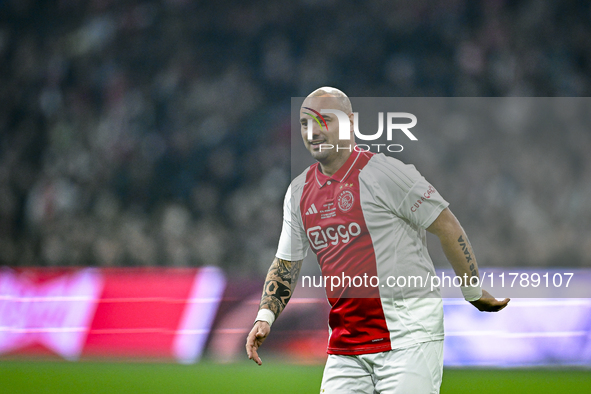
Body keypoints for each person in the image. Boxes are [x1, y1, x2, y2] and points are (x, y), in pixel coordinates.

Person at [246, 87, 509, 393]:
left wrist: (472, 290)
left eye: (324, 120)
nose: (313, 131)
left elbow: (447, 226)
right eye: (306, 123)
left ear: (351, 122)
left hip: (409, 338)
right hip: (346, 344)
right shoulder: (298, 191)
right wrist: (265, 316)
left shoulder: (387, 174)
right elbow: (287, 263)